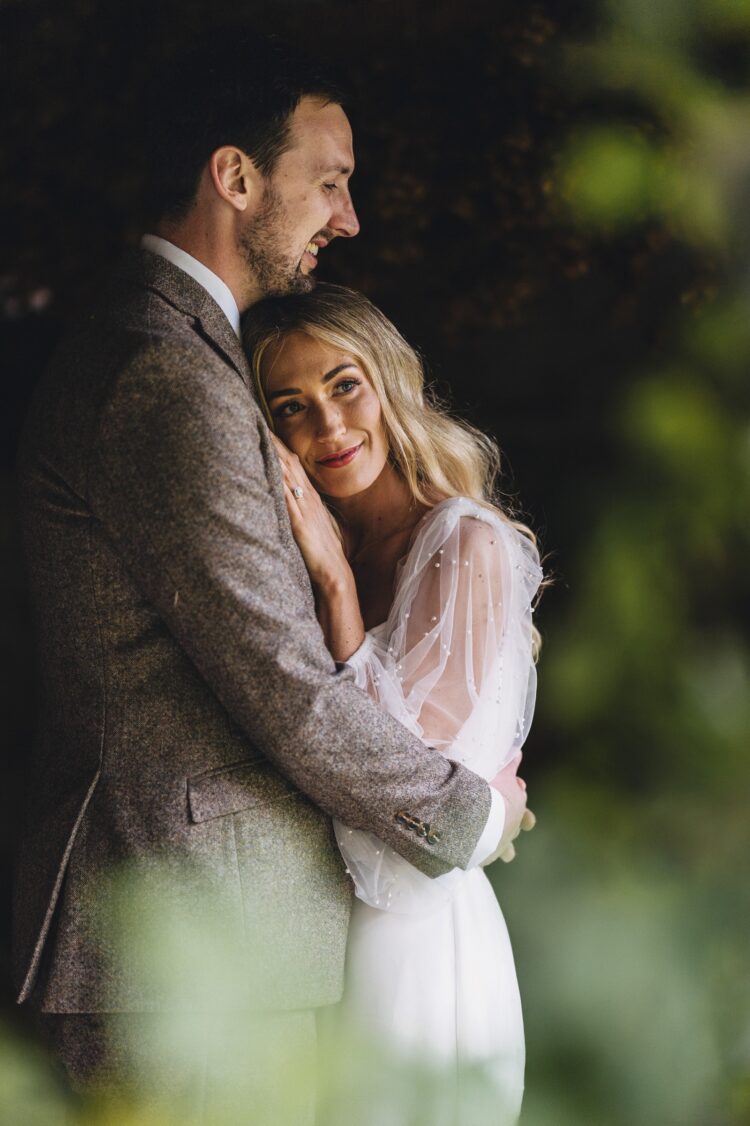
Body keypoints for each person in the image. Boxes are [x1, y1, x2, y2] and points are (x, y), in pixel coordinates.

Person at [13, 34, 529, 1120]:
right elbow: (282, 683)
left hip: (225, 937)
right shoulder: (164, 372)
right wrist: (465, 818)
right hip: (191, 940)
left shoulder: (185, 354)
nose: (348, 219)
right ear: (236, 177)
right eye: (330, 181)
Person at [242, 283, 543, 1123]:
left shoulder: (463, 541)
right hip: (320, 931)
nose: (330, 427)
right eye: (291, 406)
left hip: (418, 938)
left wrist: (339, 591)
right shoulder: (306, 547)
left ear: (388, 381)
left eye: (345, 385)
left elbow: (397, 769)